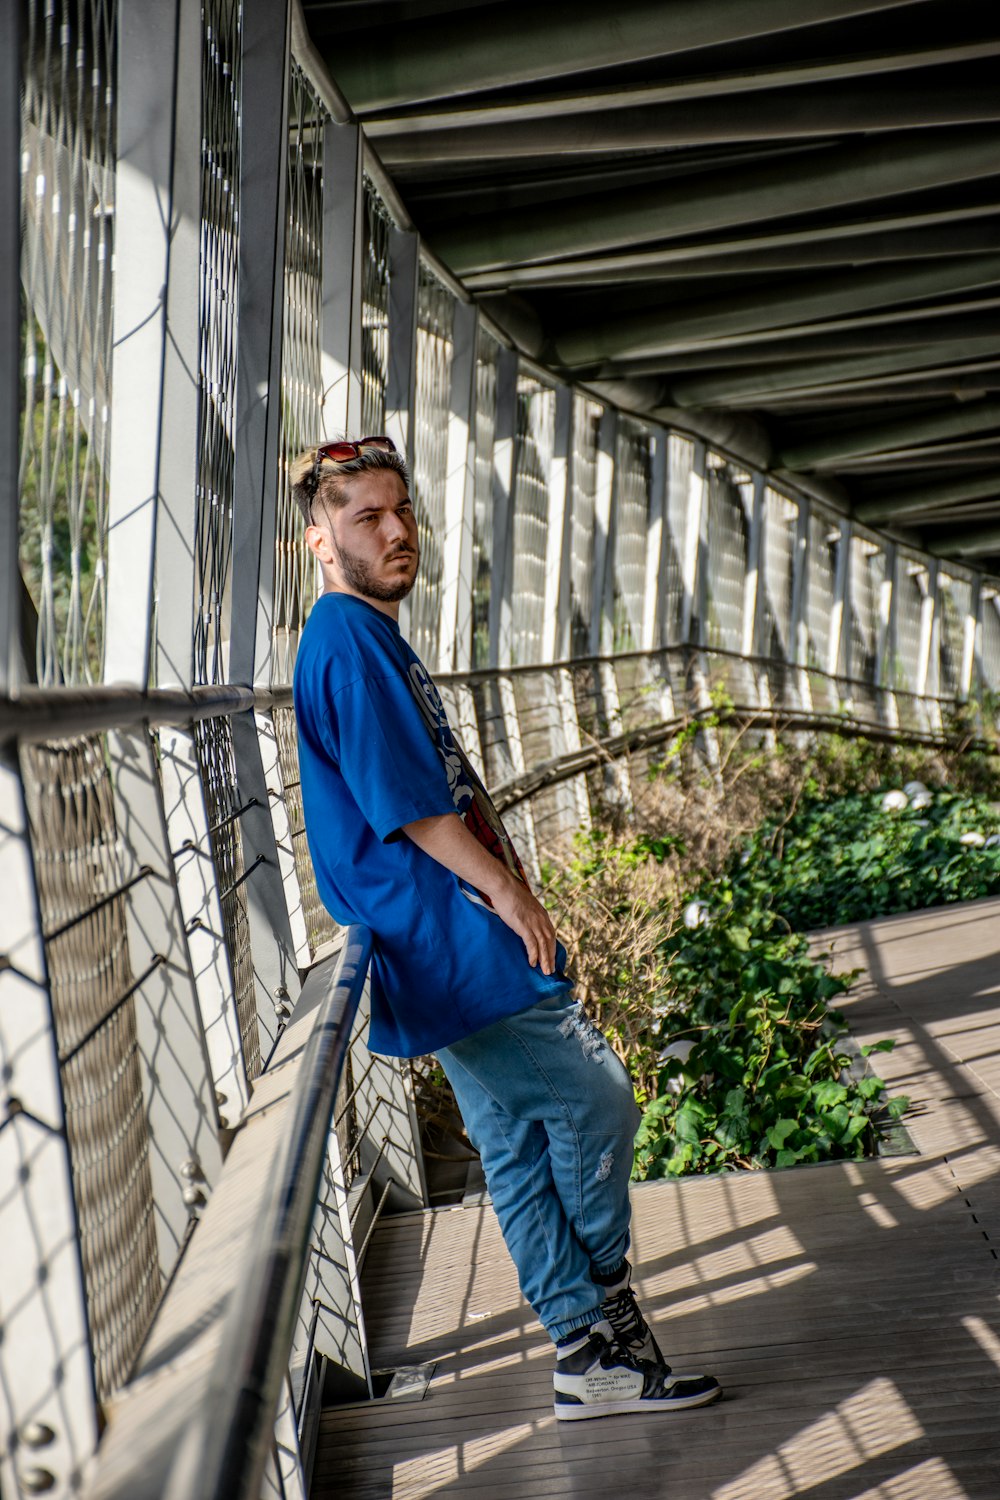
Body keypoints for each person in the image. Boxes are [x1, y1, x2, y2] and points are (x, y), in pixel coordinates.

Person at [290, 435, 721, 1420]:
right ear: (320, 539)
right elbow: (413, 810)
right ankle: (606, 1299)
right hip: (447, 933)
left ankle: (586, 1360)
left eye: (403, 511)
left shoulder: (368, 636)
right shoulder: (346, 644)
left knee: (517, 1147)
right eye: (367, 517)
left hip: (441, 927)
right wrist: (515, 898)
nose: (398, 531)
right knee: (599, 1099)